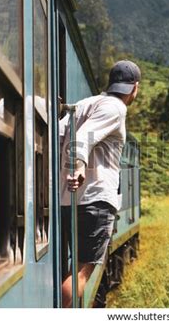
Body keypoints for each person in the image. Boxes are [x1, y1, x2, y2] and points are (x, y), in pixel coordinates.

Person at [59, 60, 141, 308]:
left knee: (72, 269)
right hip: (96, 201)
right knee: (82, 273)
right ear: (134, 88)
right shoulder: (116, 108)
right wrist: (79, 164)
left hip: (67, 200)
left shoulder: (85, 104)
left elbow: (59, 134)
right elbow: (83, 136)